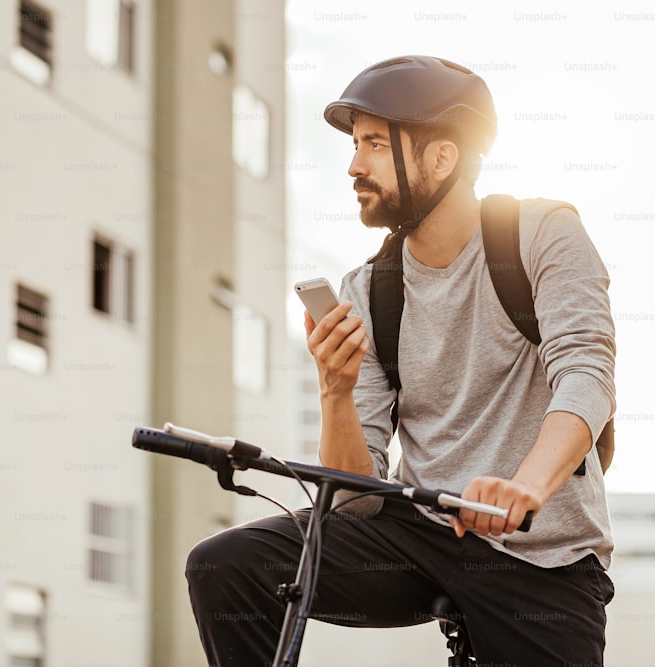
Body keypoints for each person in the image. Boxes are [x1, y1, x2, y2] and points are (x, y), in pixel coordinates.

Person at [186, 55, 616, 666]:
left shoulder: (542, 234)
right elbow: (356, 500)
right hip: (421, 534)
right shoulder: (370, 290)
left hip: (541, 553)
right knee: (226, 565)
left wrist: (524, 487)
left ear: (442, 158)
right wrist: (334, 390)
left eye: (374, 145)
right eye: (355, 145)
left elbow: (587, 375)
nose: (354, 165)